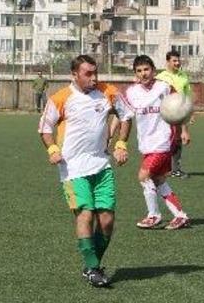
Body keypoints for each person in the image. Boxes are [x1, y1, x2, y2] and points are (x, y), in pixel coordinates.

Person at [38, 55, 128, 288]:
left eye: (95, 72)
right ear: (74, 75)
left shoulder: (108, 91)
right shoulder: (60, 98)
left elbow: (126, 116)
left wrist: (121, 143)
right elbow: (45, 128)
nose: (93, 78)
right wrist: (53, 148)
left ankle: (91, 266)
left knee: (107, 220)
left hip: (101, 165)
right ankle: (93, 267)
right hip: (73, 169)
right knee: (85, 214)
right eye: (88, 73)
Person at [117, 55, 191, 230]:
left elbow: (180, 107)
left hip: (163, 141)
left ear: (153, 70)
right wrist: (118, 140)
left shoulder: (164, 87)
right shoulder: (131, 92)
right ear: (135, 73)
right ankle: (181, 216)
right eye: (139, 71)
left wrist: (184, 130)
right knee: (158, 180)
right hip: (146, 144)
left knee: (143, 176)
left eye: (146, 69)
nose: (144, 74)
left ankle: (154, 215)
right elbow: (124, 116)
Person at [155, 50, 192, 178]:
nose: (177, 63)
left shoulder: (183, 76)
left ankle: (176, 169)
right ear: (168, 62)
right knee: (163, 140)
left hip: (179, 113)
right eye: (174, 61)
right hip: (163, 114)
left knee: (177, 140)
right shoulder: (160, 77)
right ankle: (160, 168)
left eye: (178, 60)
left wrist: (190, 114)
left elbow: (187, 96)